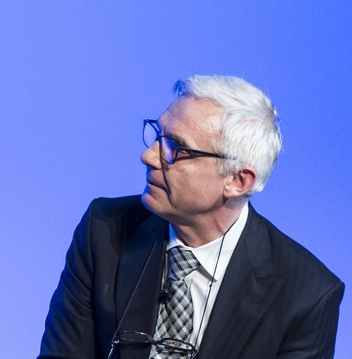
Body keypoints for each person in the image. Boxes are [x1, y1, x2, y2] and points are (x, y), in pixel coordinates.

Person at [39, 75, 344, 359]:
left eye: (177, 147)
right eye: (157, 135)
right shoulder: (104, 229)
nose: (148, 156)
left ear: (238, 181)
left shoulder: (308, 296)